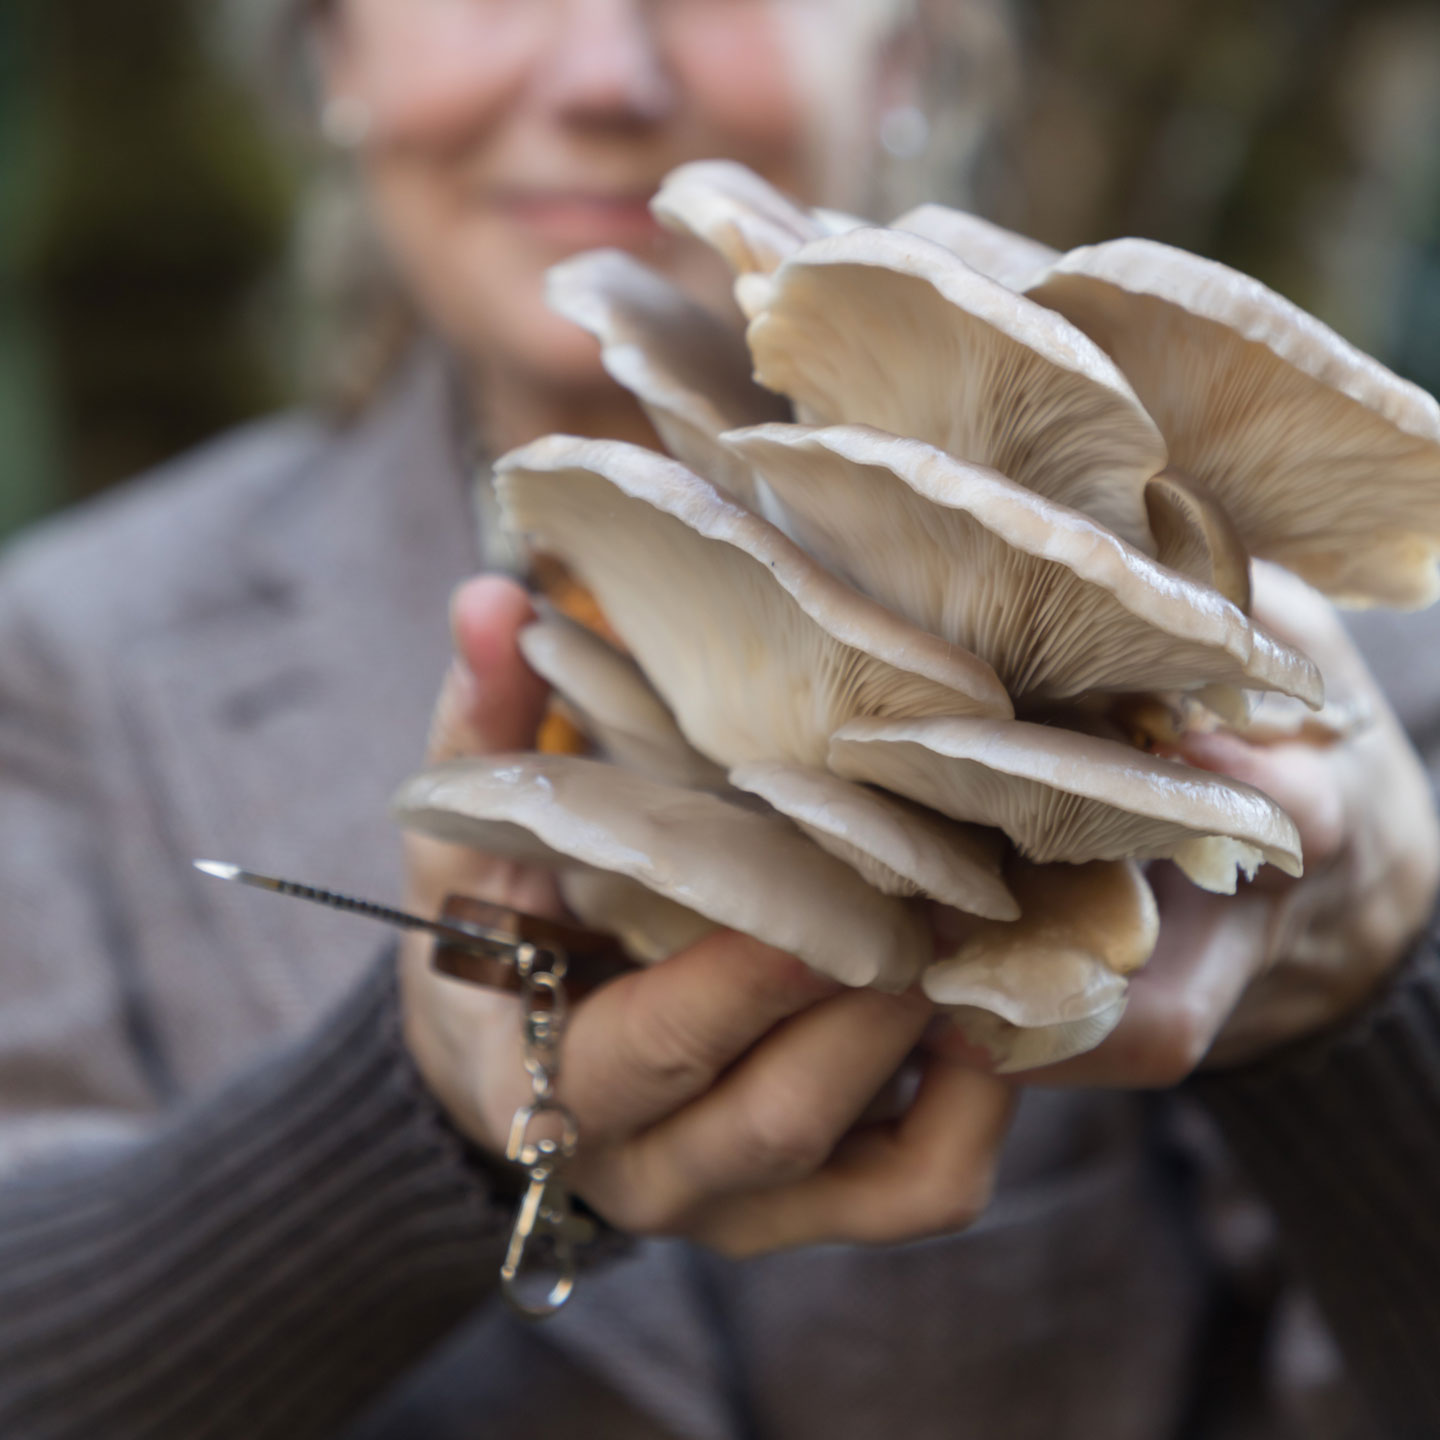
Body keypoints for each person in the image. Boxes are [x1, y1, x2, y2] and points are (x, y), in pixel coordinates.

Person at [1, 1, 1439, 1436]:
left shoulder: (1339, 679)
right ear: (327, 53)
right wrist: (418, 1125)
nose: (603, 72)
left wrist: (1380, 999)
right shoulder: (65, 657)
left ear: (912, 50)